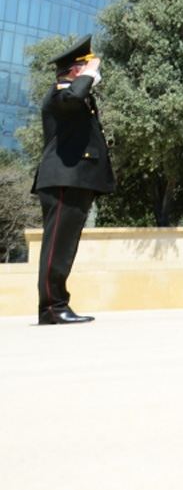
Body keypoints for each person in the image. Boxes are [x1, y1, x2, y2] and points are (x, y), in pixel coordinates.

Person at [31, 34, 115, 325]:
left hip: (75, 178)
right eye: (88, 67)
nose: (95, 72)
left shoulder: (74, 95)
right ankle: (52, 307)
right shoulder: (60, 93)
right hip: (64, 178)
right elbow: (73, 96)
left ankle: (56, 304)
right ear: (76, 70)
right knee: (57, 245)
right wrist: (89, 75)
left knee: (65, 246)